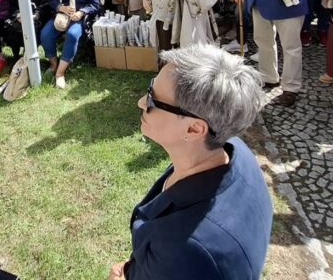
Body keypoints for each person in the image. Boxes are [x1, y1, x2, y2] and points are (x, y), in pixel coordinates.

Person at [108, 44, 271, 280]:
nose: (142, 102)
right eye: (149, 88)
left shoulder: (187, 249)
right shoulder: (234, 150)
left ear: (194, 128)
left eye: (154, 99)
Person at [41, 0, 100, 89]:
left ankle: (60, 73)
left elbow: (95, 5)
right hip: (61, 16)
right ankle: (54, 64)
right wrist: (60, 7)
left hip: (77, 19)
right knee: (45, 34)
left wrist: (82, 12)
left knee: (73, 35)